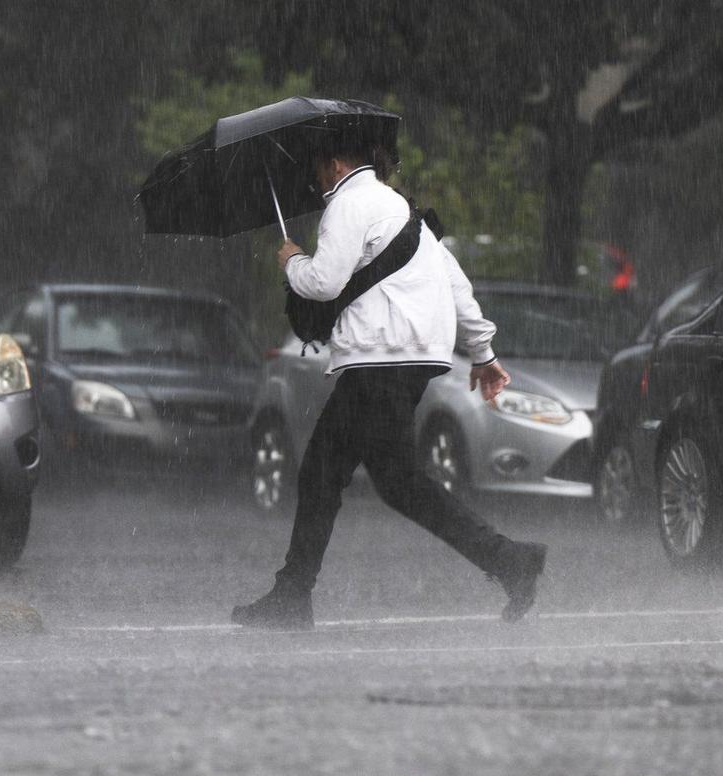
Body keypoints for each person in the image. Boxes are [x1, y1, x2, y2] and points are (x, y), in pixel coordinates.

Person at [231, 133, 547, 630]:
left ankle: (293, 597)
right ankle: (509, 562)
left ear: (335, 165)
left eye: (318, 172)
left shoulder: (349, 204)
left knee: (323, 473)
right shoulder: (402, 209)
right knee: (395, 481)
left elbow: (324, 282)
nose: (317, 183)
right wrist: (483, 352)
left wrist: (291, 259)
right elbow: (456, 282)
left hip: (379, 359)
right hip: (415, 358)